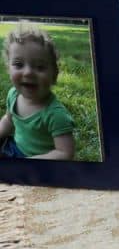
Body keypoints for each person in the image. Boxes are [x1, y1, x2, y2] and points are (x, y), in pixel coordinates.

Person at [0, 26, 74, 160]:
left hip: (39, 165)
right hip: (13, 148)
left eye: (40, 67)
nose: (28, 72)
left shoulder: (55, 115)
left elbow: (65, 153)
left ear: (54, 75)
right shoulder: (13, 95)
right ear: (8, 69)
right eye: (18, 64)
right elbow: (8, 121)